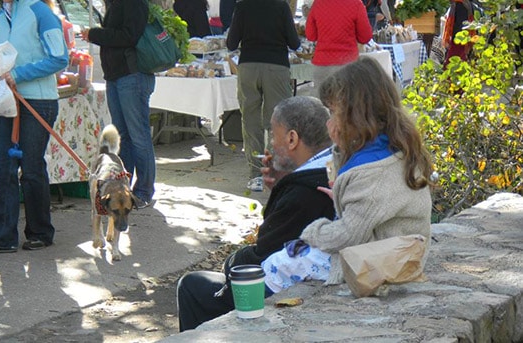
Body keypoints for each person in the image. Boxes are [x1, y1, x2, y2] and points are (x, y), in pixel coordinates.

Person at [176, 96, 335, 331]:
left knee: (192, 287)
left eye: (273, 134)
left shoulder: (304, 191)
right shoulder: (331, 168)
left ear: (292, 139)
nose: (270, 143)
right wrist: (282, 184)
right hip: (308, 275)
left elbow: (263, 254)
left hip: (287, 288)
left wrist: (231, 262)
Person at [298, 56, 434, 285]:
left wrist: (311, 232)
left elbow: (347, 235)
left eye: (333, 112)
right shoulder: (394, 147)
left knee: (280, 265)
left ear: (355, 115)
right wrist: (342, 149)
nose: (329, 121)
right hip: (398, 257)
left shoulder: (371, 173)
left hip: (381, 267)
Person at [0, 0, 69, 253]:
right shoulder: (1, 17)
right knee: (4, 167)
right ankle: (1, 237)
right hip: (7, 100)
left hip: (38, 100)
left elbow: (60, 59)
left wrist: (19, 75)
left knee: (31, 168)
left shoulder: (41, 12)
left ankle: (40, 232)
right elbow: (5, 60)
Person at [82, 0, 156, 209]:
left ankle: (143, 191)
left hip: (132, 76)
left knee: (138, 135)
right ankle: (125, 187)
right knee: (123, 136)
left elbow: (128, 36)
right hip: (116, 75)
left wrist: (95, 34)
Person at [226, 0, 300, 191]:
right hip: (276, 65)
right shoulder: (281, 6)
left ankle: (255, 174)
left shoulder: (243, 6)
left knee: (250, 120)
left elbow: (231, 43)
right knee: (278, 120)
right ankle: (275, 171)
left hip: (248, 65)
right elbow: (294, 42)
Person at [305, 0, 373, 96]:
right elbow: (365, 37)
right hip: (348, 65)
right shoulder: (356, 4)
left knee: (322, 106)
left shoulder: (318, 3)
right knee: (348, 105)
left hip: (323, 64)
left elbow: (310, 35)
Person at [442, 0, 475, 68]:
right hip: (460, 42)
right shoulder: (464, 4)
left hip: (458, 42)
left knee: (452, 65)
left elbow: (460, 27)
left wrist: (452, 39)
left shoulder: (460, 5)